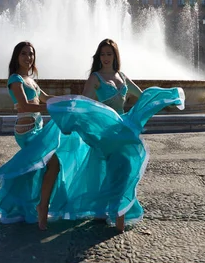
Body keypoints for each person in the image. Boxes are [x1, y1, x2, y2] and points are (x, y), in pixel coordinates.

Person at [46, 38, 186, 232]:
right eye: (102, 54)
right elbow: (85, 103)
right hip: (105, 131)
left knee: (120, 168)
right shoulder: (95, 77)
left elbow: (141, 94)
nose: (105, 58)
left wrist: (160, 101)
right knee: (120, 166)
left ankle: (109, 210)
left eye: (109, 54)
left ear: (115, 56)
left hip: (123, 128)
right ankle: (115, 213)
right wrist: (74, 120)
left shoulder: (122, 76)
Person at [0, 41, 60, 230]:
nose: (28, 58)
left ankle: (24, 207)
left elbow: (45, 98)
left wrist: (65, 102)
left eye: (31, 54)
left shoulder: (30, 80)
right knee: (53, 163)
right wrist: (51, 108)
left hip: (37, 127)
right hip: (26, 131)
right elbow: (26, 105)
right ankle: (41, 207)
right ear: (17, 57)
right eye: (24, 54)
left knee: (34, 169)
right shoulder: (15, 79)